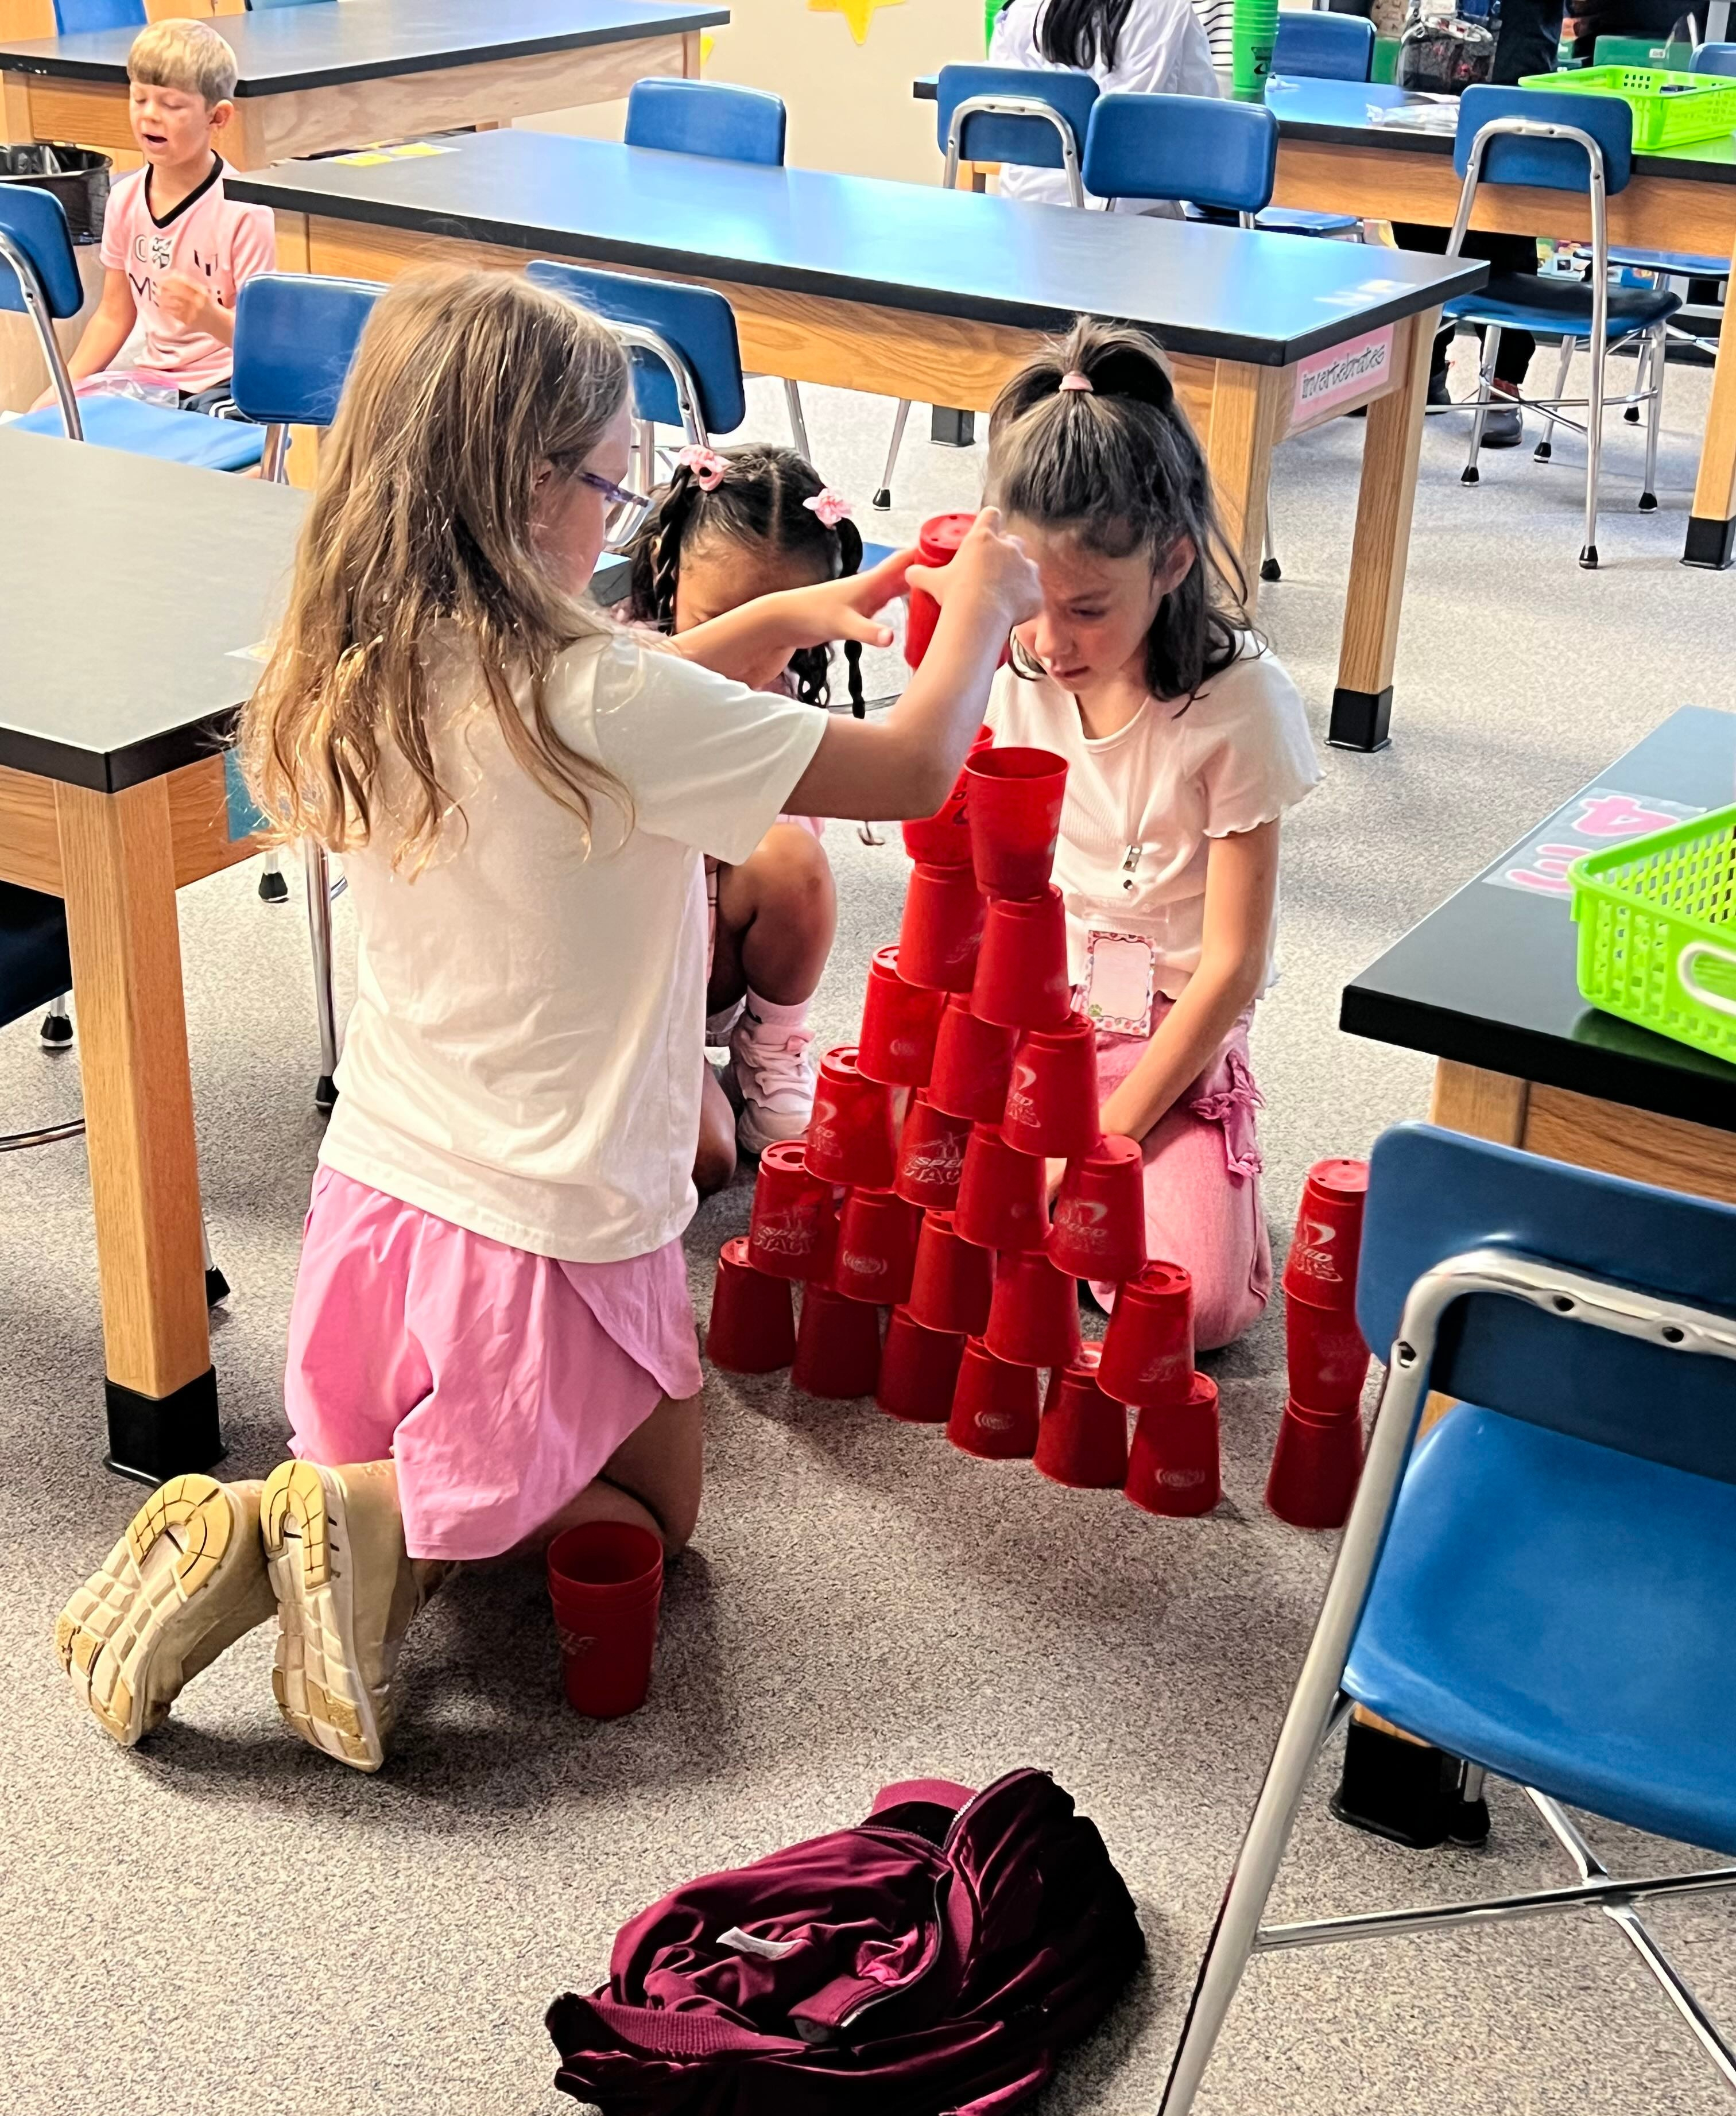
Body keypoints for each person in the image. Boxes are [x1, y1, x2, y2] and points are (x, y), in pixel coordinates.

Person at [52, 267, 1040, 1774]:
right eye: (611, 479)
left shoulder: (352, 668)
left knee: (513, 1470)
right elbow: (910, 767)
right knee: (657, 1516)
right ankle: (374, 1521)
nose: (621, 511)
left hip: (373, 1229)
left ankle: (288, 1528)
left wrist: (780, 614)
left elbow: (613, 701)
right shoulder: (610, 701)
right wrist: (983, 608)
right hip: (554, 1235)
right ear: (536, 487)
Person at [983, 319, 1320, 1350]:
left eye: (1085, 608)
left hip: (1173, 1026)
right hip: (1049, 1012)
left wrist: (1091, 1149)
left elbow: (1230, 967)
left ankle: (1206, 1155)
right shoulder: (1019, 657)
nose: (1050, 640)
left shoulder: (1239, 702)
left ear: (1172, 560)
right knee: (930, 1215)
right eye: (1031, 603)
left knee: (1192, 1308)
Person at [621, 444, 862, 1188]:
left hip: (715, 949)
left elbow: (798, 862)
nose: (752, 658)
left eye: (783, 630)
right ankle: (677, 1070)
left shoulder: (779, 696)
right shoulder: (617, 675)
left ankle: (771, 1049)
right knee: (705, 1162)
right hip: (630, 984)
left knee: (791, 858)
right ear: (669, 570)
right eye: (724, 622)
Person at [41, 21, 274, 416]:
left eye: (171, 105)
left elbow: (264, 345)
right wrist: (60, 390)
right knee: (72, 424)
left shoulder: (246, 211)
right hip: (155, 382)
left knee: (211, 433)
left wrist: (209, 317)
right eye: (139, 99)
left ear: (217, 118)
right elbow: (115, 313)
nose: (150, 116)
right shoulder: (125, 198)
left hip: (227, 384)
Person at [987, 0, 1219, 212]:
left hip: (1023, 212)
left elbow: (1002, 117)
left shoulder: (1020, 9)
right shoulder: (1168, 8)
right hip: (1132, 219)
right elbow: (1204, 130)